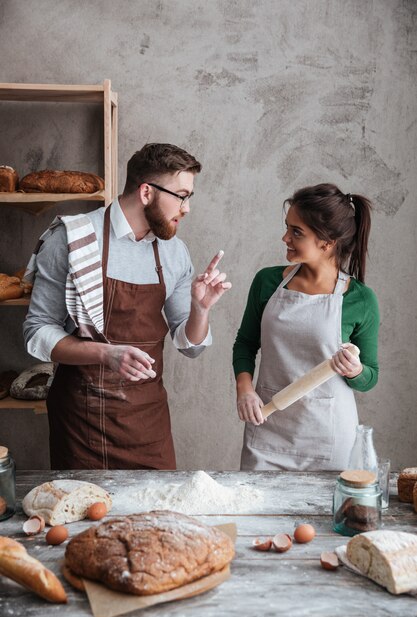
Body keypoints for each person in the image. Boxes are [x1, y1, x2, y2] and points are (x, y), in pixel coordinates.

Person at [23, 143, 231, 470]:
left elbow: (189, 346)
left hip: (147, 418)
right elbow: (37, 331)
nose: (187, 207)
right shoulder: (72, 239)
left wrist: (200, 310)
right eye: (181, 195)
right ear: (146, 192)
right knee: (86, 518)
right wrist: (107, 353)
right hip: (82, 419)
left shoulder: (174, 252)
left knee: (156, 517)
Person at [233, 183, 379, 471]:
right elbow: (245, 343)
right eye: (288, 227)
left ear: (327, 243)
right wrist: (245, 389)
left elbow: (371, 376)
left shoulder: (360, 299)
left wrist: (356, 370)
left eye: (297, 232)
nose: (285, 237)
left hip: (329, 436)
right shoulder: (267, 282)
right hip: (268, 425)